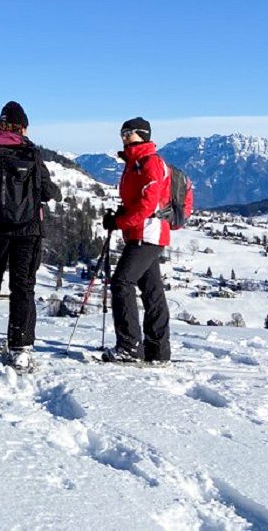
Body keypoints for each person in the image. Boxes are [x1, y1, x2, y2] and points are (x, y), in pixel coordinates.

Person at [0, 101, 60, 373]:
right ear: (23, 127)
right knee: (23, 286)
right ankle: (20, 349)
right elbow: (49, 191)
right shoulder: (32, 153)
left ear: (0, 123)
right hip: (28, 230)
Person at [101, 117, 176, 364]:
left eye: (129, 132)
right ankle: (157, 350)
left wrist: (121, 222)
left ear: (142, 134)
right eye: (122, 131)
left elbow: (148, 203)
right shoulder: (134, 163)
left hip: (148, 233)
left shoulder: (150, 162)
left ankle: (129, 347)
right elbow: (137, 202)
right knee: (152, 291)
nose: (123, 136)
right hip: (141, 232)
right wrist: (119, 217)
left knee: (122, 282)